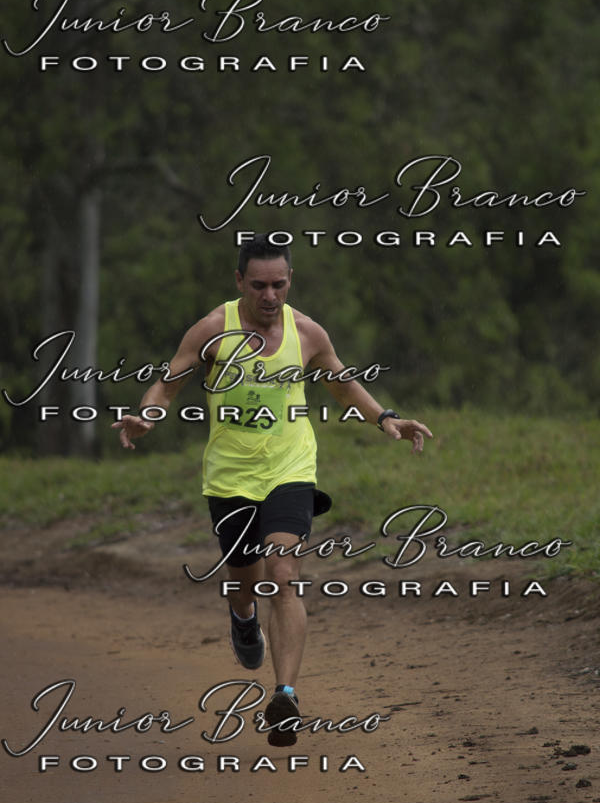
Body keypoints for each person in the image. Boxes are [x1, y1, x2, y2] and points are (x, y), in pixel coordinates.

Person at [113, 234, 432, 746]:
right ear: (239, 281)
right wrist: (149, 417)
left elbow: (342, 383)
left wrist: (385, 419)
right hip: (230, 477)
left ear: (290, 282)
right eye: (258, 284)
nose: (269, 295)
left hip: (290, 469)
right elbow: (168, 384)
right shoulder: (213, 330)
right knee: (246, 579)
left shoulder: (307, 333)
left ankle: (285, 695)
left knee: (283, 571)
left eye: (278, 284)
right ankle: (242, 618)